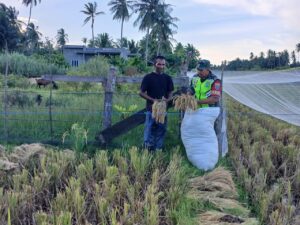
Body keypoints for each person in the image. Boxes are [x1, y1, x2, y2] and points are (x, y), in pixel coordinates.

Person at [181, 59, 222, 171]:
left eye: (201, 70)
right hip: (195, 111)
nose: (199, 72)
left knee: (206, 134)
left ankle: (208, 160)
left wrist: (196, 102)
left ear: (208, 69)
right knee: (189, 130)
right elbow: (191, 89)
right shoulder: (195, 78)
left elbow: (214, 99)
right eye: (198, 69)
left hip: (207, 112)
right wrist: (188, 95)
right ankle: (195, 158)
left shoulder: (215, 81)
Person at [140, 55, 174, 151]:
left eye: (163, 64)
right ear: (155, 64)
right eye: (159, 64)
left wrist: (168, 99)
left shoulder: (167, 78)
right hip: (151, 109)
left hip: (163, 110)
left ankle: (158, 149)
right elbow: (141, 93)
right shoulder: (148, 77)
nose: (161, 66)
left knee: (161, 130)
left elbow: (170, 91)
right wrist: (153, 100)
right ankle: (147, 149)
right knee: (149, 130)